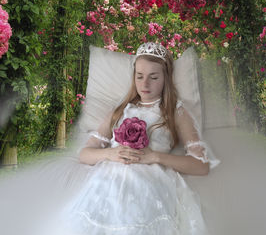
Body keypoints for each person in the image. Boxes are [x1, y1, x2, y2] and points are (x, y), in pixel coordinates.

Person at [42, 42, 218, 235]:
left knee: (136, 216)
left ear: (166, 78)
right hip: (111, 174)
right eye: (139, 76)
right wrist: (110, 153)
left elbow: (201, 165)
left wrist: (156, 157)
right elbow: (84, 154)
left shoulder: (175, 111)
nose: (145, 84)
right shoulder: (121, 110)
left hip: (149, 176)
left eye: (154, 77)